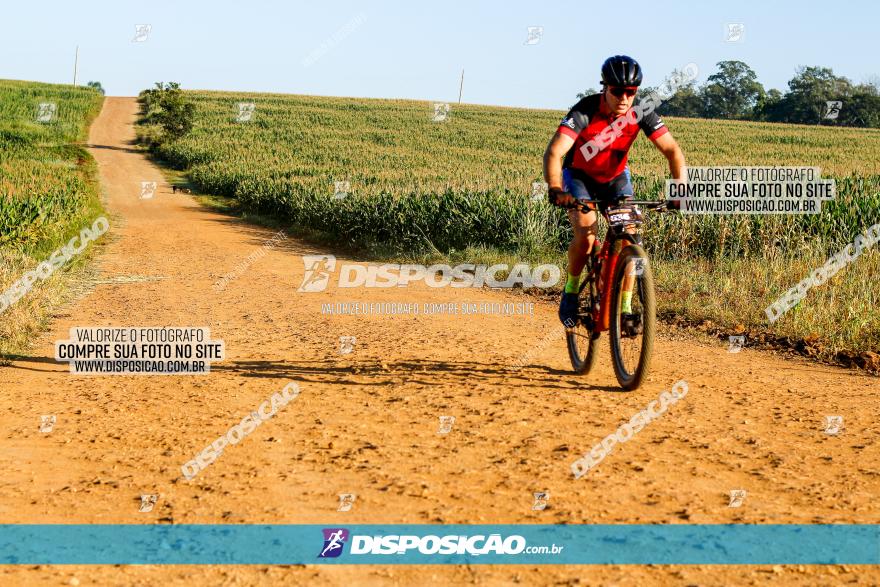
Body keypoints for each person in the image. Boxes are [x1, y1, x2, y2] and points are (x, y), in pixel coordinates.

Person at [543, 55, 685, 325]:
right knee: (586, 234)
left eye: (630, 92)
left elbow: (672, 150)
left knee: (630, 237)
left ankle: (626, 306)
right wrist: (555, 187)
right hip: (579, 176)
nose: (624, 98)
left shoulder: (641, 110)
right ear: (604, 88)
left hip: (615, 177)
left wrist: (680, 191)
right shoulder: (585, 110)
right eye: (617, 91)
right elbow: (555, 151)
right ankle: (572, 291)